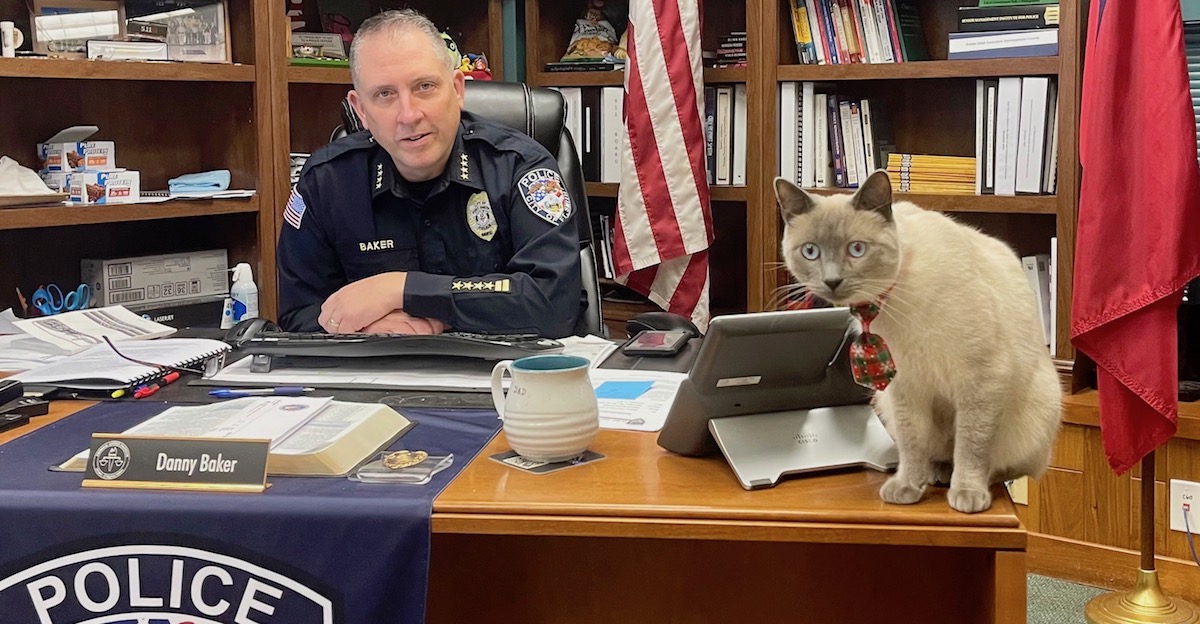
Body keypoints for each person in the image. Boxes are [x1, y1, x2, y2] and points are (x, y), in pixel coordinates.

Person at [277, 9, 582, 337]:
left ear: (457, 89)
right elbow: (298, 313)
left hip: (502, 378)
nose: (408, 114)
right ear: (360, 110)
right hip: (375, 377)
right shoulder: (327, 182)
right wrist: (371, 328)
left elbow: (555, 304)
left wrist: (402, 290)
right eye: (385, 94)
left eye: (424, 86)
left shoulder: (519, 167)